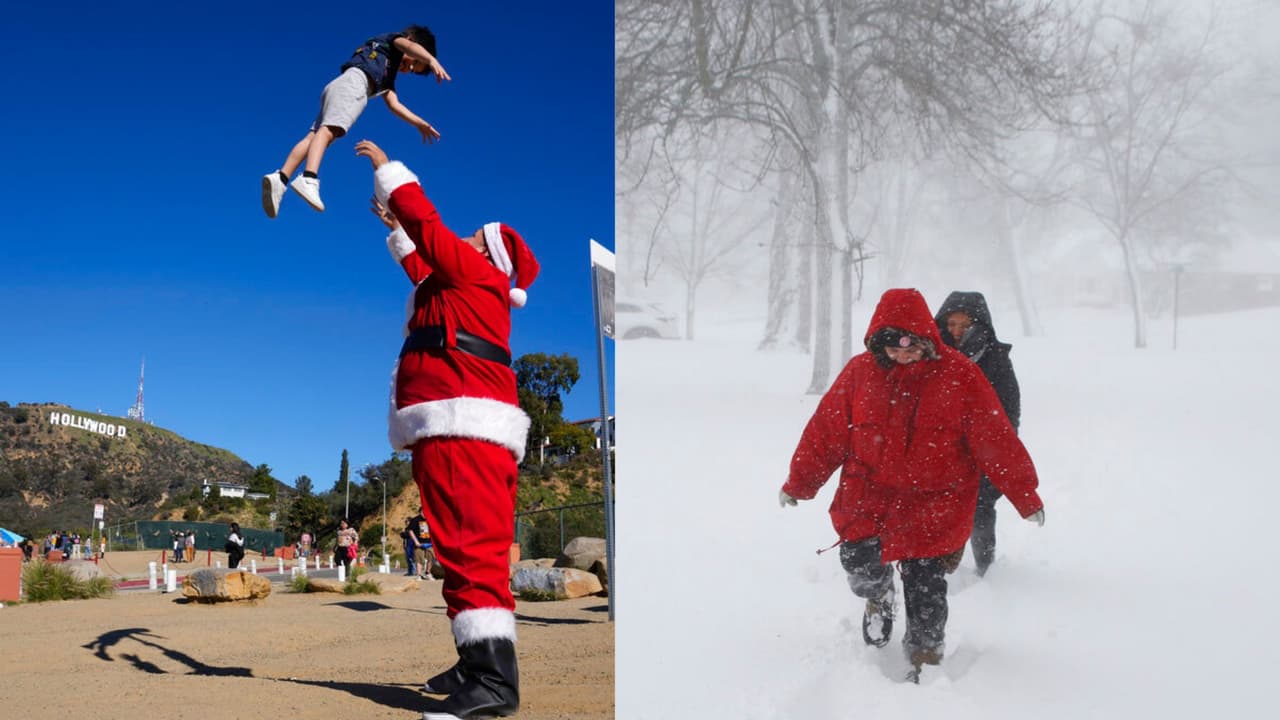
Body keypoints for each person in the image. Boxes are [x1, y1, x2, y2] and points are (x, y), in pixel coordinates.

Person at [359, 138, 539, 720]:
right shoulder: (458, 284)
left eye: (474, 239)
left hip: (467, 425)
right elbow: (418, 259)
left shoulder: (479, 276)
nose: (463, 241)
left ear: (491, 257)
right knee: (458, 543)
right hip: (451, 424)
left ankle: (492, 684)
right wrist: (394, 223)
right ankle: (473, 662)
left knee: (469, 545)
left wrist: (390, 172)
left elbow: (429, 230)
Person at [779, 288, 1045, 678]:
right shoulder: (859, 373)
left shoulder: (960, 376)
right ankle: (879, 596)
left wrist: (1024, 494)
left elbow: (995, 438)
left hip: (935, 501)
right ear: (876, 342)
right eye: (893, 349)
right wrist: (800, 482)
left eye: (912, 348)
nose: (903, 356)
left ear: (927, 341)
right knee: (858, 562)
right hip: (869, 497)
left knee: (926, 585)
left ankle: (925, 654)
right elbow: (827, 433)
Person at [261, 25, 450, 218]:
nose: (408, 68)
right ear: (411, 40)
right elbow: (408, 47)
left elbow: (394, 105)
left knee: (313, 137)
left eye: (413, 70)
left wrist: (419, 123)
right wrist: (430, 59)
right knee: (328, 132)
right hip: (355, 85)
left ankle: (280, 178)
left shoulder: (388, 76)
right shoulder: (394, 41)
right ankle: (309, 178)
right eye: (414, 62)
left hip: (341, 84)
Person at [934, 291, 1022, 577]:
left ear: (979, 324)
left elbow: (1009, 407)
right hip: (942, 448)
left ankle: (985, 567)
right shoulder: (933, 355)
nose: (957, 332)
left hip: (983, 448)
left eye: (964, 325)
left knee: (981, 507)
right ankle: (940, 565)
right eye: (951, 325)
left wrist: (1001, 450)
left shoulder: (995, 357)